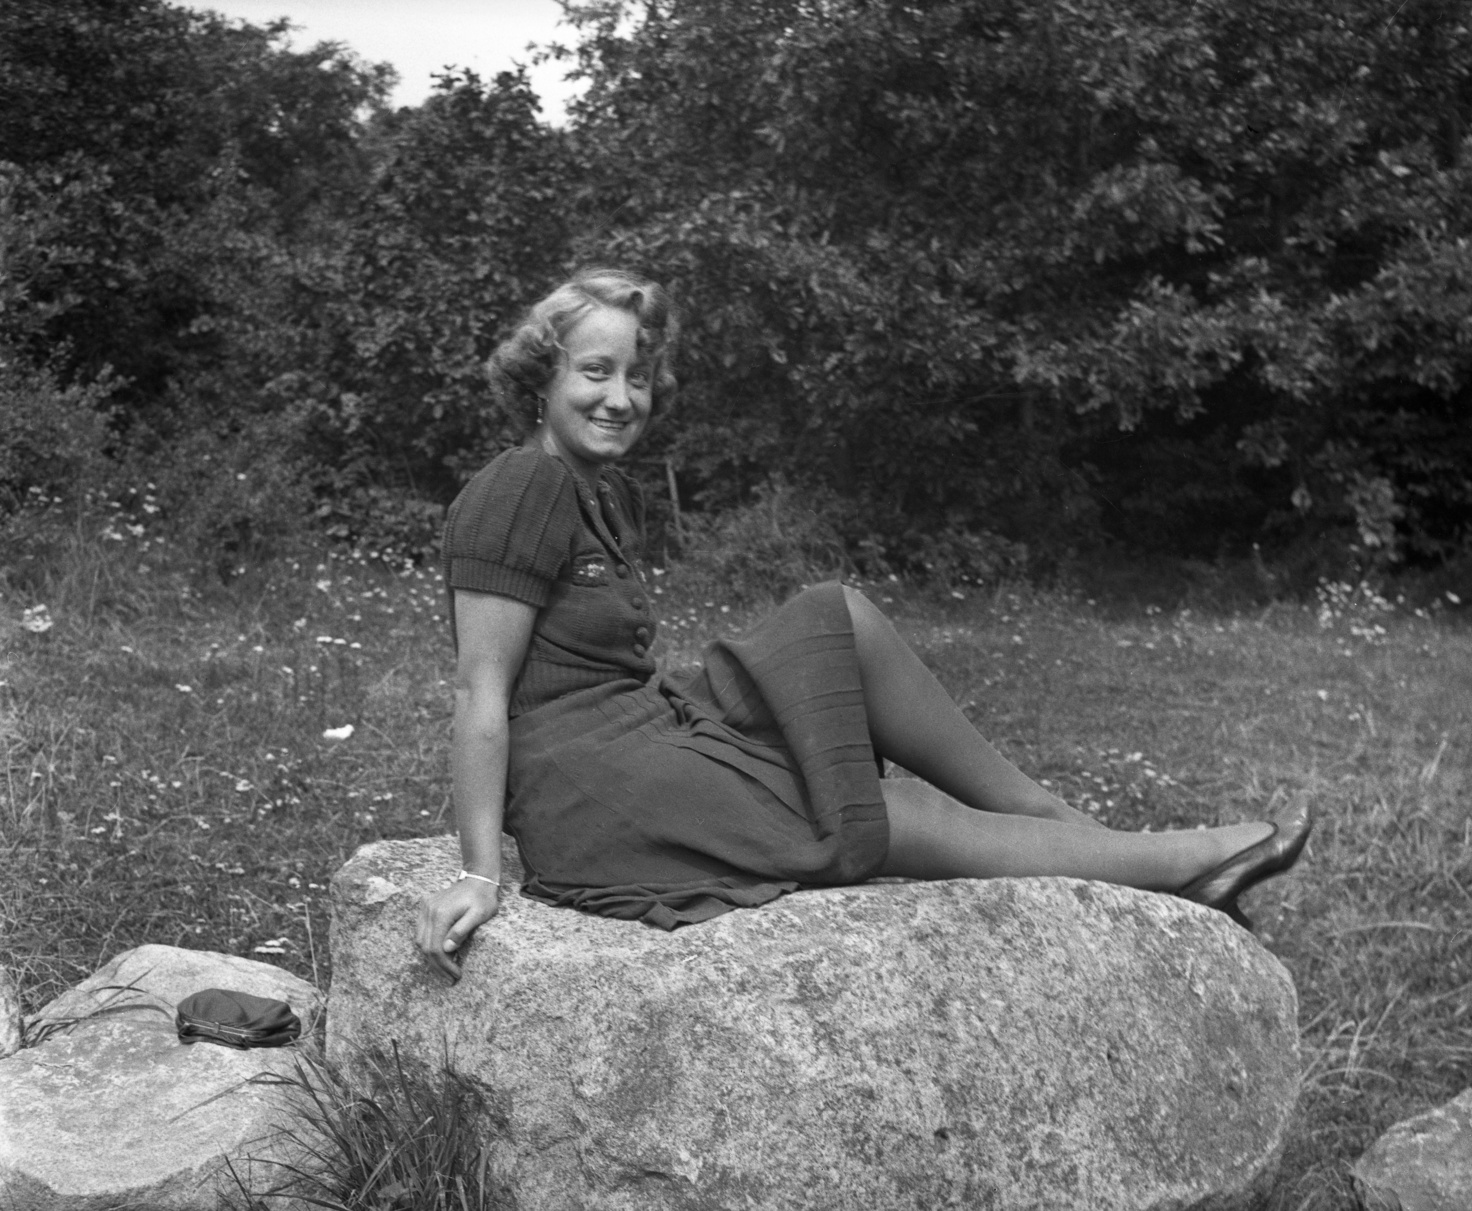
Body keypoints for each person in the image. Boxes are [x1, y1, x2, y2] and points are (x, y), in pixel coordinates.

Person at [415, 268, 1312, 980]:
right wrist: (480, 873)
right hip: (591, 786)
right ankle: (1176, 862)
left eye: (639, 377)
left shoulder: (602, 491)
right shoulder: (519, 486)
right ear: (544, 379)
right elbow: (478, 692)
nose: (621, 397)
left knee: (831, 617)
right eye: (595, 371)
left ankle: (1070, 828)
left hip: (640, 730)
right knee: (880, 809)